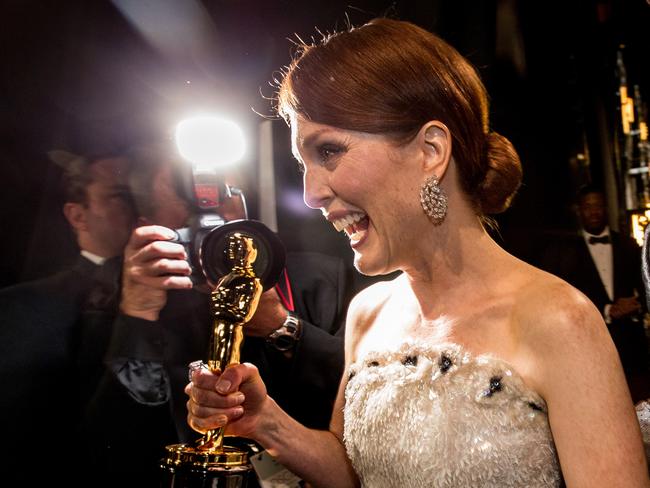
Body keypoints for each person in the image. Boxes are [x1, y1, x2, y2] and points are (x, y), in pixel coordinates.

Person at [185, 18, 650, 487]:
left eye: (328, 151)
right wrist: (266, 421)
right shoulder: (368, 312)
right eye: (303, 165)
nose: (310, 193)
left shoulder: (559, 321)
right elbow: (355, 472)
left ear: (430, 150)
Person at [76, 141, 351, 486]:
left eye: (227, 200)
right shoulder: (125, 295)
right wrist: (138, 315)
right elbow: (110, 448)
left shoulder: (316, 277)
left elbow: (358, 404)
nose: (218, 227)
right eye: (193, 213)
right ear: (151, 226)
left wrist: (280, 327)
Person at [0, 150, 135, 480]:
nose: (134, 208)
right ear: (78, 216)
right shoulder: (23, 304)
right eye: (118, 197)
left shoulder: (185, 297)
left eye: (135, 195)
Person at [539, 184, 650, 403]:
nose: (594, 211)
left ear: (606, 209)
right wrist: (607, 310)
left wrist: (637, 304)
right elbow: (561, 300)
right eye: (588, 207)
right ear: (579, 211)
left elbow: (646, 287)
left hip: (633, 347)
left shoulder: (628, 244)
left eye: (598, 206)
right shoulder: (565, 253)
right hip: (591, 345)